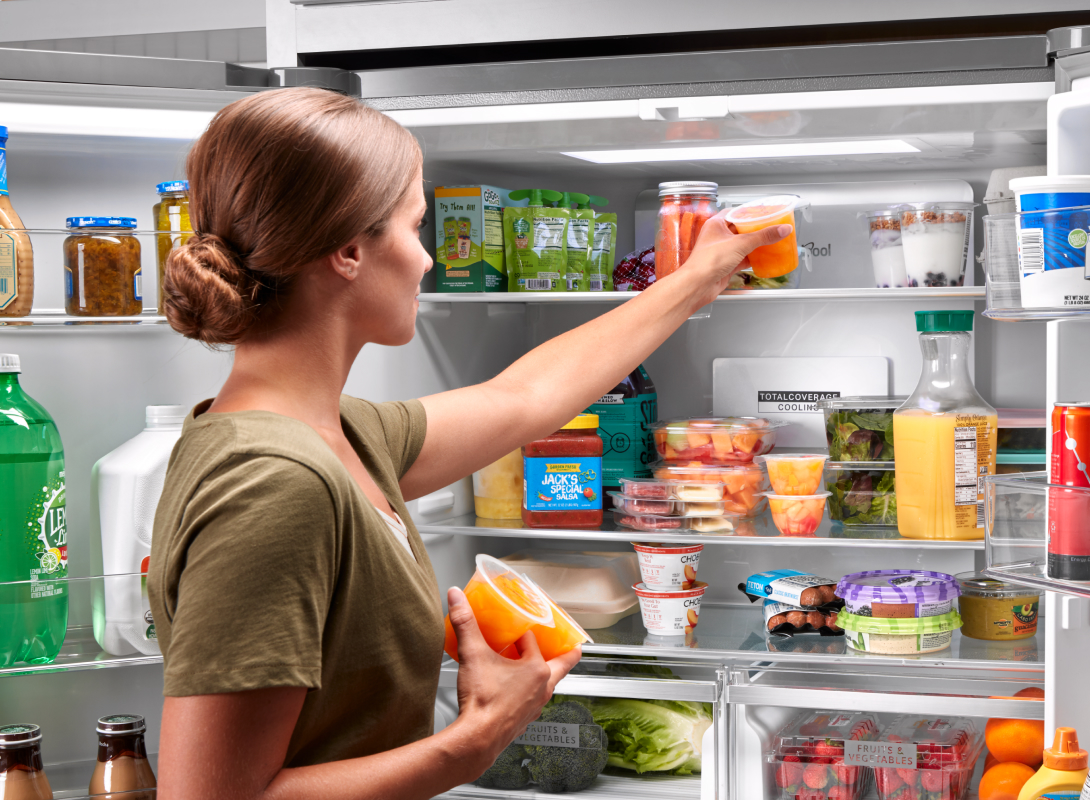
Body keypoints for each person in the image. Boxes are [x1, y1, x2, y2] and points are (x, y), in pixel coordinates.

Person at [147, 87, 789, 800]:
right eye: (414, 227)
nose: (426, 261)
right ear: (350, 250)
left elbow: (522, 400)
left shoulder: (341, 434)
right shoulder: (272, 484)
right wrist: (477, 738)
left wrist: (696, 279)